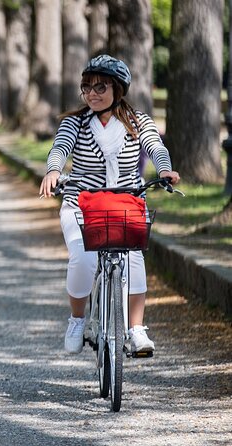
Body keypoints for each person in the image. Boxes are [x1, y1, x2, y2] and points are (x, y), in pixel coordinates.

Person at [38, 55, 180, 356]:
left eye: (100, 87)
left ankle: (136, 329)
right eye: (86, 87)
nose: (92, 94)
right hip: (81, 203)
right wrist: (53, 171)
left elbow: (155, 147)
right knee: (83, 258)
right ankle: (77, 319)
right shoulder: (74, 123)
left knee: (134, 260)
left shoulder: (140, 122)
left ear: (118, 89)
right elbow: (60, 148)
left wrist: (165, 170)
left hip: (126, 202)